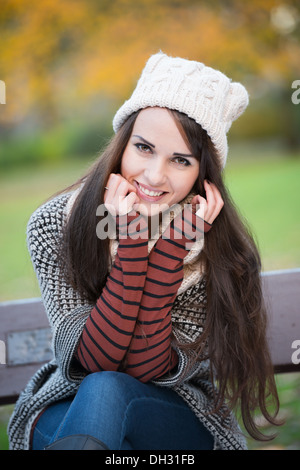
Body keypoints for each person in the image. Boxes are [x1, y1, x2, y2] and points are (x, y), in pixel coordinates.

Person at [8, 52, 280, 451]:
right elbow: (95, 363)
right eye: (144, 148)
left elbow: (145, 370)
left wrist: (170, 251)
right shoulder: (56, 225)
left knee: (109, 393)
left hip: (172, 412)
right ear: (122, 144)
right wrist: (133, 242)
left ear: (203, 174)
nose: (154, 176)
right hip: (72, 403)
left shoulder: (220, 254)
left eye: (180, 160)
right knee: (100, 393)